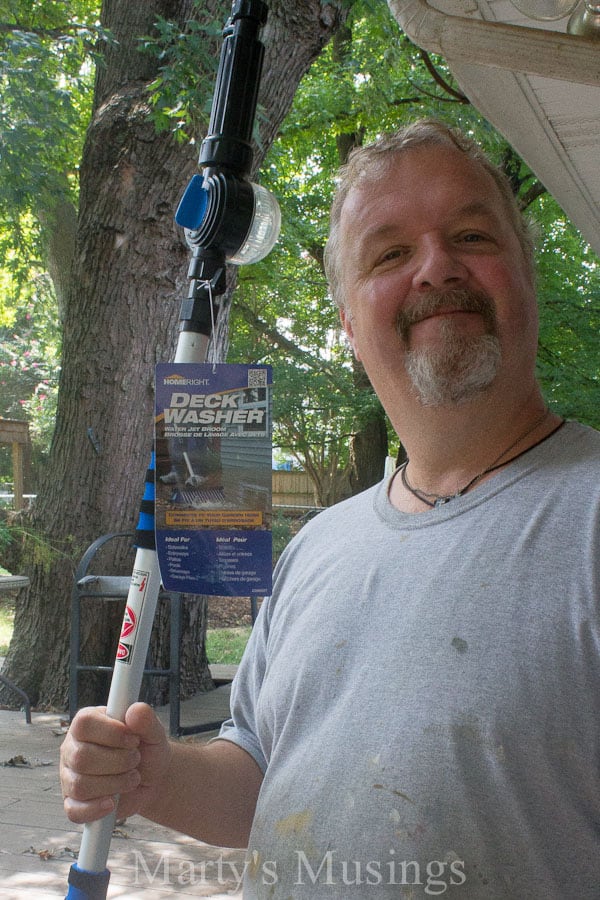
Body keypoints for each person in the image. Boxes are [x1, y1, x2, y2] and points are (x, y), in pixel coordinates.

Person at [60, 120, 600, 898]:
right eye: (389, 253)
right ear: (348, 322)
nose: (436, 267)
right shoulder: (318, 547)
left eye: (471, 234)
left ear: (527, 272)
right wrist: (159, 778)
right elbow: (260, 777)